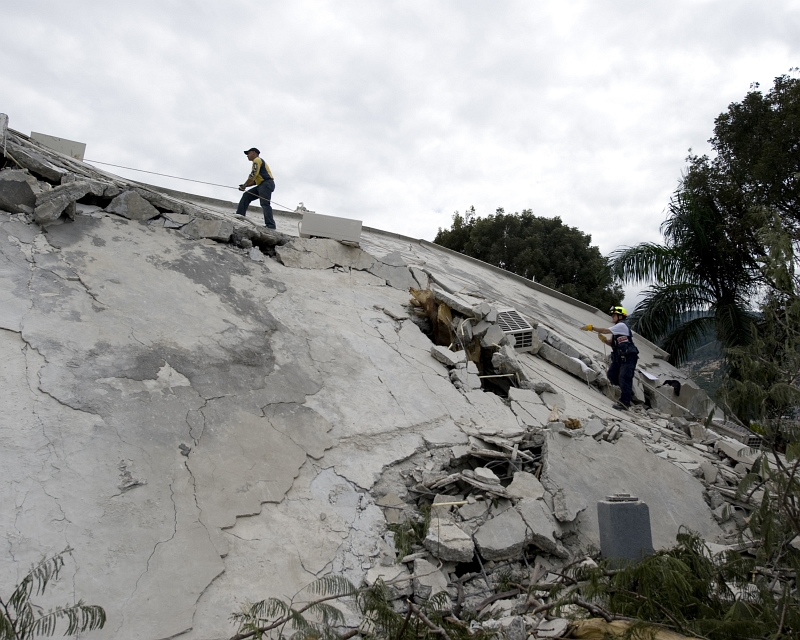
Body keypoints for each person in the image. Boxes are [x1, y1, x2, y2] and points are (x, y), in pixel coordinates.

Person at [580, 306, 639, 411]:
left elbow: (605, 330)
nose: (612, 317)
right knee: (611, 375)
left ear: (620, 316)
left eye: (614, 315)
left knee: (624, 377)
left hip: (629, 356)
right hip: (619, 357)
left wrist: (592, 328)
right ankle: (628, 392)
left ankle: (625, 403)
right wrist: (604, 340)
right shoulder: (617, 330)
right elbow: (612, 343)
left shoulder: (621, 325)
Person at [236, 148, 276, 229]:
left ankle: (271, 225)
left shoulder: (257, 160)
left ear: (254, 153)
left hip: (266, 184)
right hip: (262, 184)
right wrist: (245, 185)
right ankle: (239, 216)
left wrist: (244, 185)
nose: (247, 155)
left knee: (265, 204)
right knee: (246, 195)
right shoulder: (258, 161)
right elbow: (255, 181)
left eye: (248, 153)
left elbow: (253, 174)